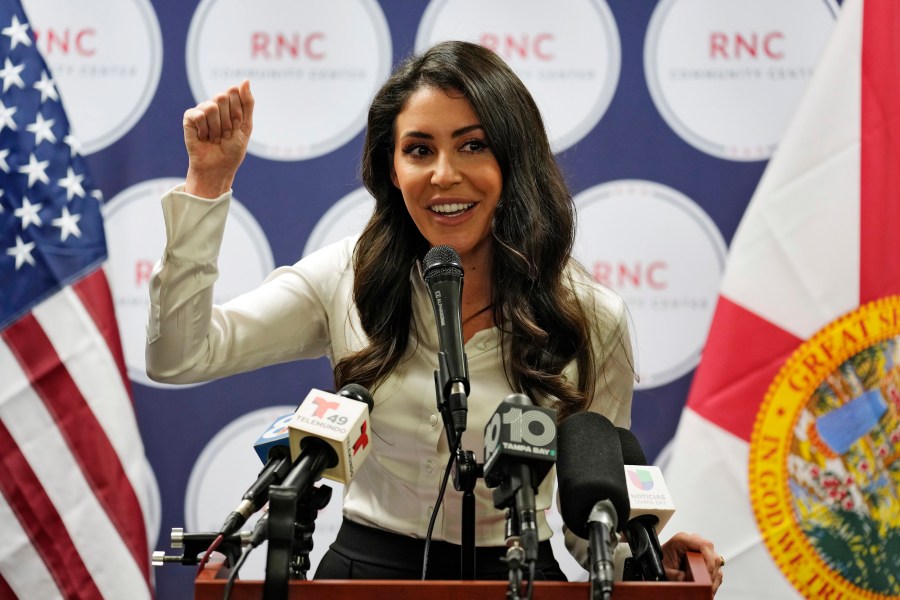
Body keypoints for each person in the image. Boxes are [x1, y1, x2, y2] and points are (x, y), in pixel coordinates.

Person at [146, 40, 724, 592]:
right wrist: (208, 185)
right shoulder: (345, 276)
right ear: (393, 170)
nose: (444, 174)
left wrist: (645, 561)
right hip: (364, 576)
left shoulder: (592, 317)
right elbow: (180, 356)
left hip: (519, 576)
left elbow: (585, 512)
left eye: (473, 145)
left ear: (514, 159)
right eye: (419, 150)